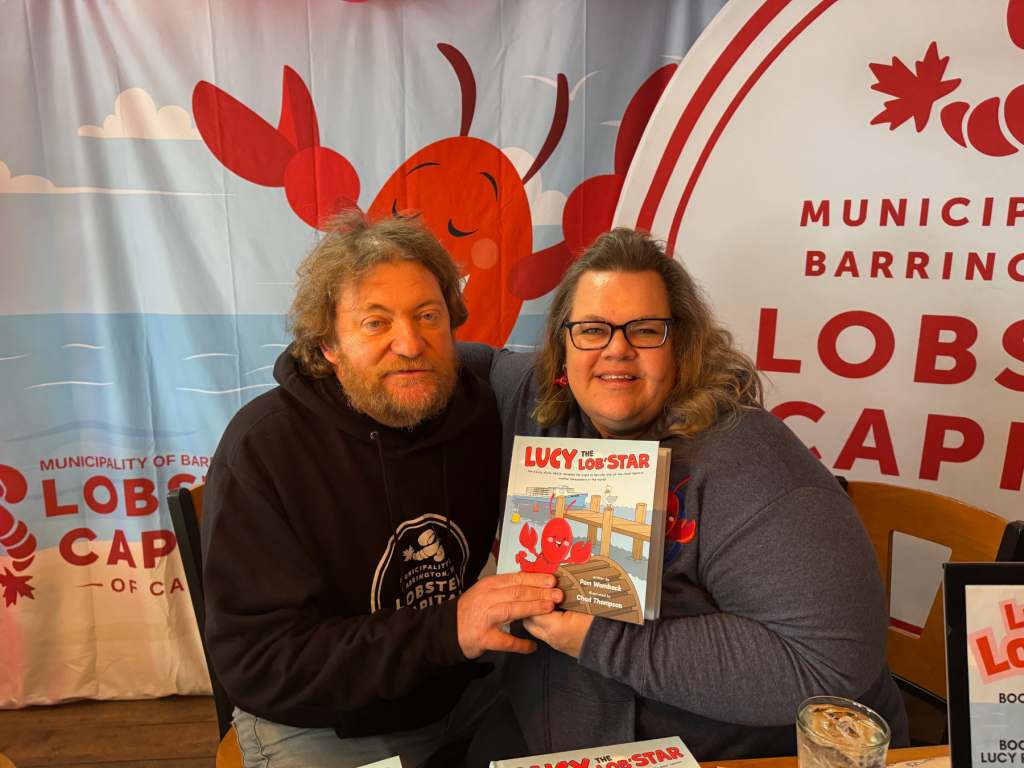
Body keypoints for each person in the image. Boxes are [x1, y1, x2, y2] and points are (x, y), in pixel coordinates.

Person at [460, 228, 909, 761]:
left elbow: (826, 665)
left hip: (717, 752)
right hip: (544, 729)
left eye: (646, 330)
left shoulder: (750, 460)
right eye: (593, 329)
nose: (617, 349)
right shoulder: (535, 401)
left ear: (682, 345)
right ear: (561, 347)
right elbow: (461, 361)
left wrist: (599, 639)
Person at [201, 212, 562, 768]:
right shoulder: (263, 449)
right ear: (327, 345)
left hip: (465, 692)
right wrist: (448, 629)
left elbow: (569, 378)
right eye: (375, 323)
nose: (410, 343)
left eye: (428, 316)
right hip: (325, 724)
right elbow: (261, 662)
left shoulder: (481, 413)